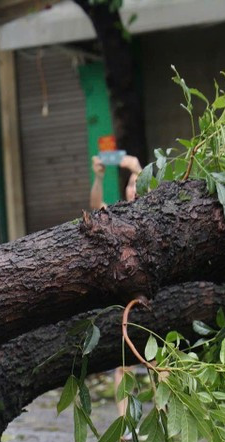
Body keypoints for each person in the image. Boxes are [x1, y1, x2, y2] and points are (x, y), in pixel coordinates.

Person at [89, 154, 143, 417]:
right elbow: (94, 206)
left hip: (152, 295)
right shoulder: (118, 216)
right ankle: (125, 421)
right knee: (124, 362)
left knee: (160, 360)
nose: (133, 189)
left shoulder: (155, 212)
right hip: (126, 297)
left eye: (138, 183)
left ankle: (165, 415)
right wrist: (99, 176)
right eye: (130, 184)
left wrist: (138, 169)